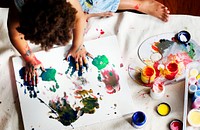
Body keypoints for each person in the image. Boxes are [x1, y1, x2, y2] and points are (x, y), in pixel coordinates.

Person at [1, 0, 170, 85]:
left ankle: (138, 4)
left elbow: (79, 17)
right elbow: (15, 33)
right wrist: (30, 58)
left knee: (96, 4)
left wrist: (78, 45)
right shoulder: (20, 4)